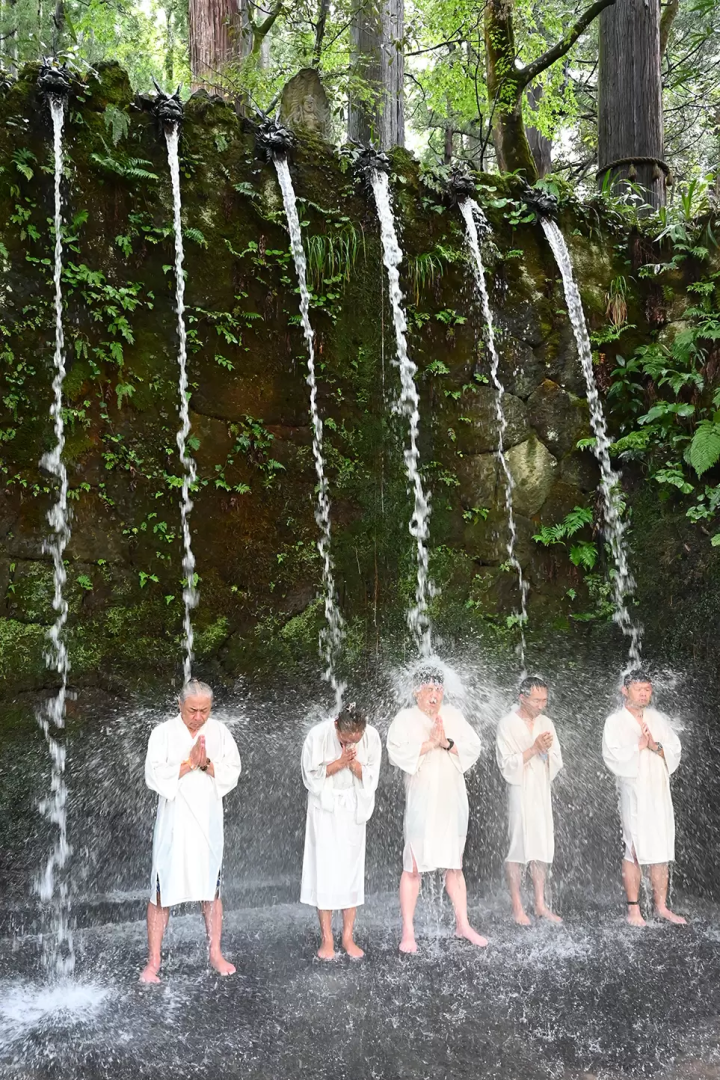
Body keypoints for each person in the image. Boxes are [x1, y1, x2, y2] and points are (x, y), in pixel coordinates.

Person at [140, 679, 242, 983]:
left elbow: (233, 771)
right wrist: (188, 763)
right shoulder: (162, 733)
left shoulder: (220, 732)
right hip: (173, 824)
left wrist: (207, 763)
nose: (199, 717)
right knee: (161, 893)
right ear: (180, 705)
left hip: (207, 821)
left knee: (211, 888)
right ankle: (154, 961)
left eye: (205, 711)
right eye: (192, 710)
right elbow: (153, 775)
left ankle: (215, 953)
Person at [386, 667, 487, 953]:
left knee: (455, 865)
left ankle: (463, 924)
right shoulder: (404, 719)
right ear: (416, 691)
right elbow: (396, 751)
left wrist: (446, 743)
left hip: (452, 800)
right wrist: (429, 743)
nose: (434, 695)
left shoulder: (453, 716)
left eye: (439, 690)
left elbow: (473, 746)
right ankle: (408, 931)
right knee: (413, 866)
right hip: (421, 801)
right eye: (428, 690)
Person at [602, 669, 686, 927]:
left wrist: (655, 747)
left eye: (648, 689)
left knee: (661, 848)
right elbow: (611, 756)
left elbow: (673, 749)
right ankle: (633, 910)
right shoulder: (615, 722)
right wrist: (638, 746)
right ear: (624, 691)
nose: (644, 693)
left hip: (658, 791)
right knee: (634, 848)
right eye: (639, 689)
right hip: (634, 792)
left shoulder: (658, 718)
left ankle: (661, 906)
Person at [300, 702, 382, 960]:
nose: (350, 743)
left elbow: (372, 777)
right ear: (336, 725)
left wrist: (354, 764)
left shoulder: (372, 737)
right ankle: (326, 938)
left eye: (355, 739)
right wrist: (339, 762)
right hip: (325, 809)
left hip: (352, 808)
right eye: (345, 739)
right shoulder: (317, 735)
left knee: (351, 870)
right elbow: (310, 776)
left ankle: (348, 935)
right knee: (324, 870)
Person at [496, 675, 563, 925]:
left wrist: (544, 753)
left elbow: (556, 758)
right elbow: (505, 764)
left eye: (544, 700)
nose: (541, 705)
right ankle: (517, 907)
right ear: (522, 697)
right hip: (520, 791)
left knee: (541, 845)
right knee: (518, 846)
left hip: (541, 790)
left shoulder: (547, 722)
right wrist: (534, 749)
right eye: (536, 700)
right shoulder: (507, 724)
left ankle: (540, 904)